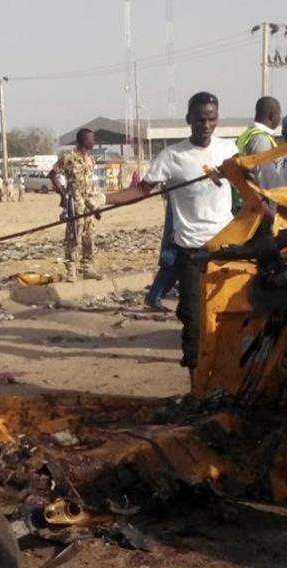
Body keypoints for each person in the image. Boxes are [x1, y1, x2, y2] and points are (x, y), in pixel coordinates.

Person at [106, 92, 237, 373]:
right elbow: (140, 190)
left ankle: (224, 382)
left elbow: (251, 184)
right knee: (194, 319)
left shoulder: (230, 151)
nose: (205, 125)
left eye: (211, 119)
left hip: (227, 249)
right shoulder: (172, 156)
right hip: (192, 252)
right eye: (200, 119)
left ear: (217, 120)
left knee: (230, 316)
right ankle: (196, 385)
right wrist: (102, 200)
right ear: (189, 120)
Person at [50, 129, 103, 281]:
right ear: (83, 141)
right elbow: (52, 174)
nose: (93, 142)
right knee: (74, 235)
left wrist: (96, 207)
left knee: (89, 236)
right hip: (75, 202)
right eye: (91, 139)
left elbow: (91, 185)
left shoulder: (91, 160)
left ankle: (87, 267)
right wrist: (62, 194)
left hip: (89, 203)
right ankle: (71, 270)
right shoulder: (68, 158)